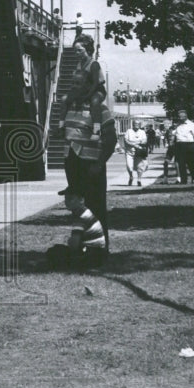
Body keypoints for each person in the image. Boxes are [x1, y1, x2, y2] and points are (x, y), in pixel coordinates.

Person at [58, 29, 116, 250]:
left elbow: (110, 141)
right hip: (73, 163)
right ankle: (80, 245)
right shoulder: (72, 106)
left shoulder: (98, 109)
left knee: (95, 206)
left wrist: (99, 163)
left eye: (78, 84)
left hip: (91, 166)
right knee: (78, 206)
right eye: (73, 84)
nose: (75, 87)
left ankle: (100, 249)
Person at [173, 110, 194, 186]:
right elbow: (174, 134)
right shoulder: (178, 125)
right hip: (179, 145)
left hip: (189, 145)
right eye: (179, 117)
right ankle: (183, 180)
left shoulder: (191, 124)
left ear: (185, 117)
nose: (179, 118)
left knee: (191, 162)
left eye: (181, 117)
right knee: (181, 163)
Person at [123, 121, 149, 186]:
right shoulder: (128, 131)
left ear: (139, 125)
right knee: (129, 166)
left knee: (140, 166)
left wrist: (137, 143)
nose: (136, 125)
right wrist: (135, 144)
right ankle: (131, 176)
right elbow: (126, 141)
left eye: (137, 124)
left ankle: (139, 180)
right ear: (133, 124)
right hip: (129, 152)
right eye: (135, 124)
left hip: (139, 152)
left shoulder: (142, 132)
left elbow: (145, 141)